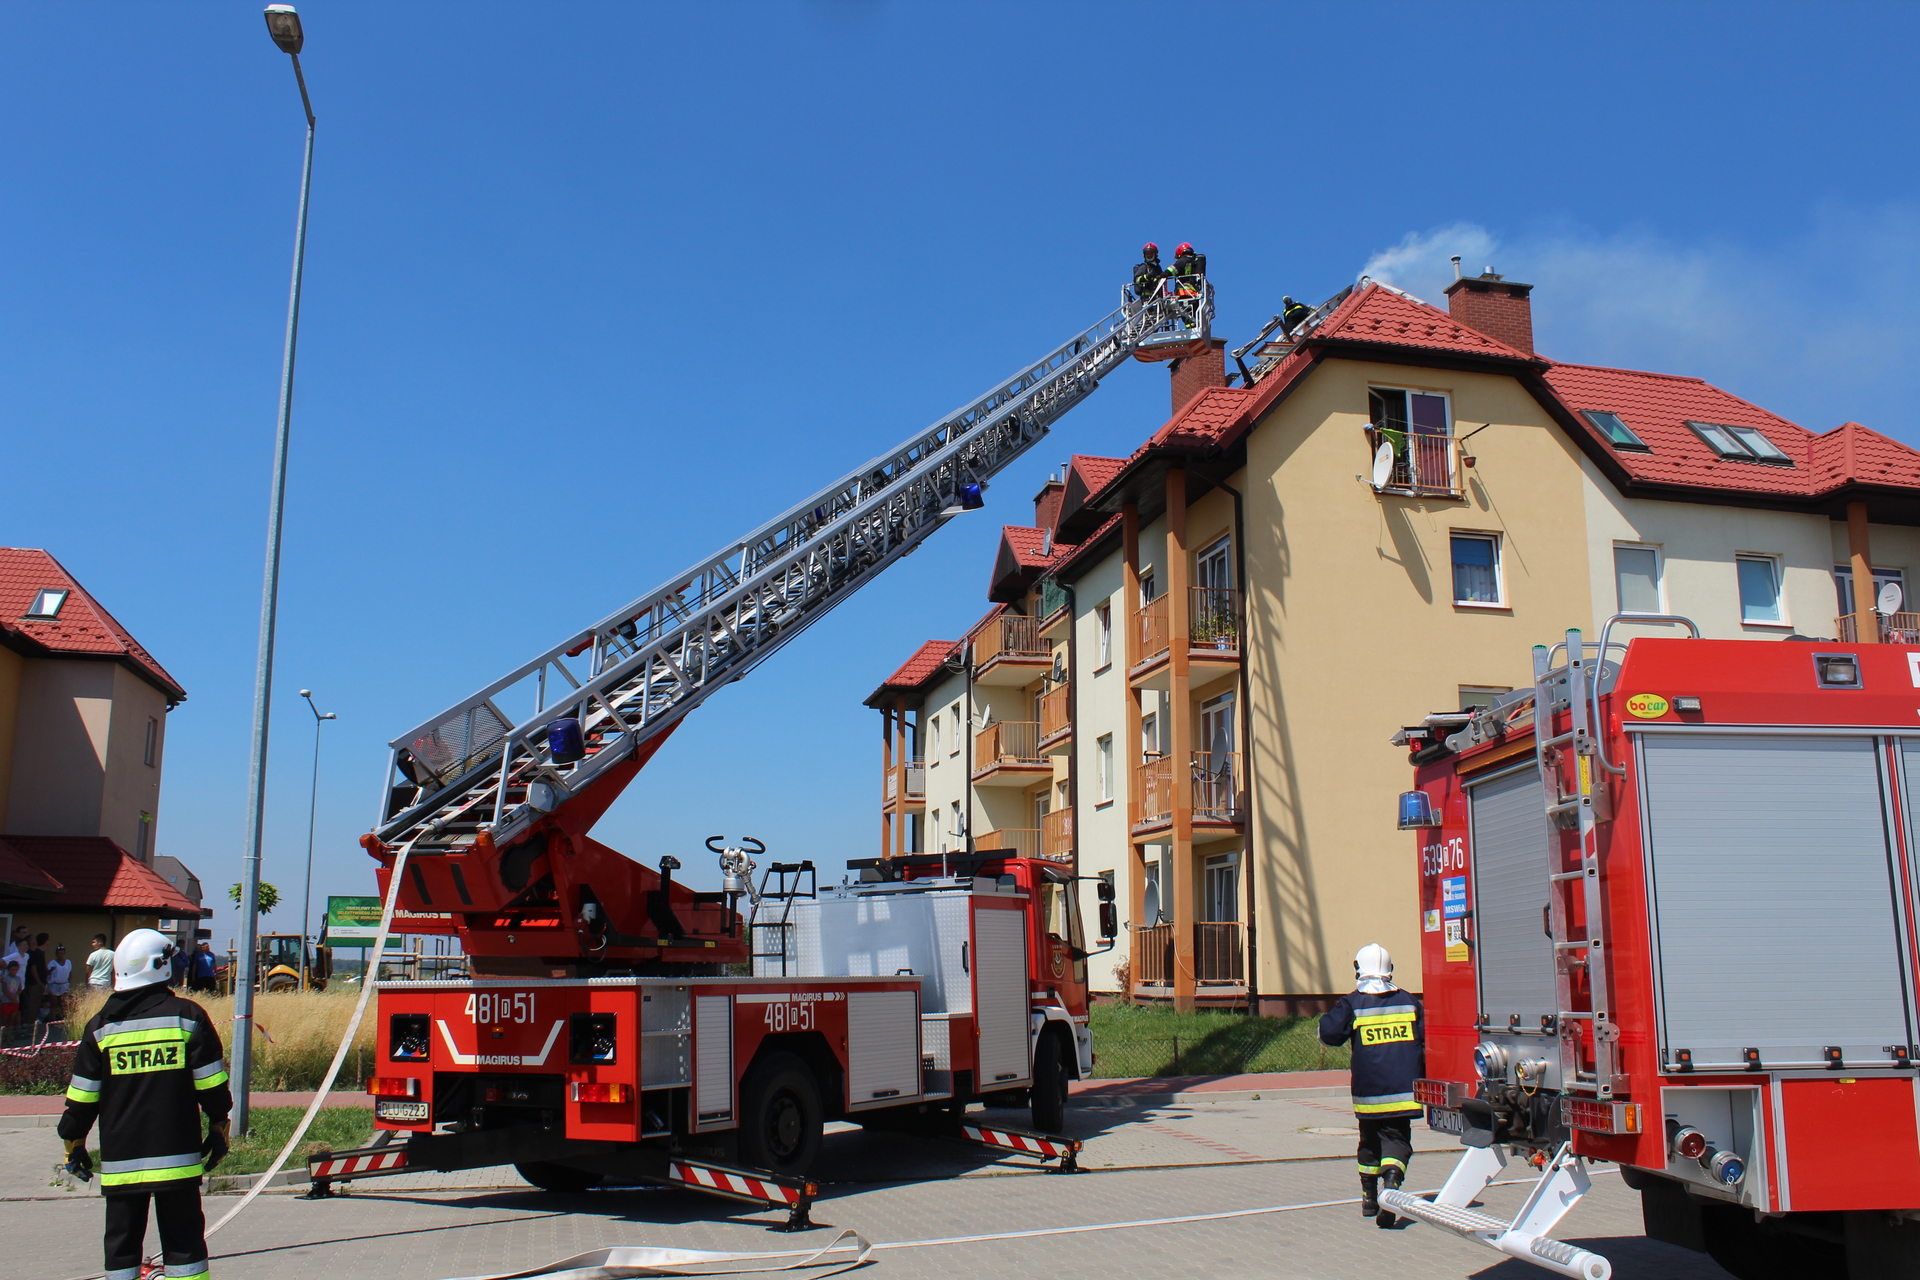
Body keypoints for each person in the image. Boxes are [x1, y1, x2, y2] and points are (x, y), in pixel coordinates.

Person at [59, 929, 231, 1280]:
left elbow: (82, 1098)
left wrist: (73, 1143)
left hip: (122, 1161)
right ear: (160, 967)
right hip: (178, 1160)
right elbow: (212, 1086)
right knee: (185, 1246)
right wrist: (218, 1128)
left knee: (121, 1247)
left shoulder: (101, 1027)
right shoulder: (189, 1017)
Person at [1319, 944, 1424, 1228]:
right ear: (1390, 970)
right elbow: (1426, 1042)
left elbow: (1329, 1035)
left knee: (1369, 1142)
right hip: (1404, 1093)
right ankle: (1390, 1187)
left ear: (1358, 970)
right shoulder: (1410, 1002)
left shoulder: (1352, 1003)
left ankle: (1368, 1198)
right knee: (1398, 1141)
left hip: (1369, 1094)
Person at [47, 944, 73, 1024]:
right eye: (59, 954)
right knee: (54, 1004)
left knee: (64, 1004)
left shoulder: (68, 962)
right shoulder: (52, 963)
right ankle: (52, 1020)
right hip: (54, 985)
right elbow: (46, 973)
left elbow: (70, 972)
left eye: (62, 953)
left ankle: (64, 1020)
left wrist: (68, 982)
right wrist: (51, 970)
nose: (60, 955)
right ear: (56, 954)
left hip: (64, 984)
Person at [1, 958, 20, 1025]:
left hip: (15, 1001)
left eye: (16, 970)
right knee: (4, 1020)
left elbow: (19, 989)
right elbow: (4, 989)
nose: (14, 971)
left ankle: (9, 1034)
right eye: (12, 970)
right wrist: (11, 997)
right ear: (9, 970)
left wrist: (15, 996)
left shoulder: (18, 978)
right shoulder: (5, 978)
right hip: (6, 1001)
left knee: (11, 1020)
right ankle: (3, 1034)